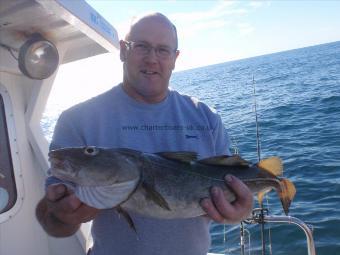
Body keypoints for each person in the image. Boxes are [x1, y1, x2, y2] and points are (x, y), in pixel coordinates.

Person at [36, 12, 253, 255]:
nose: (152, 59)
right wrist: (62, 215)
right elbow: (50, 220)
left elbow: (231, 192)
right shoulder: (77, 120)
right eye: (141, 46)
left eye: (163, 50)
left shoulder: (206, 118)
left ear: (174, 58)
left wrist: (240, 211)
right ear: (122, 50)